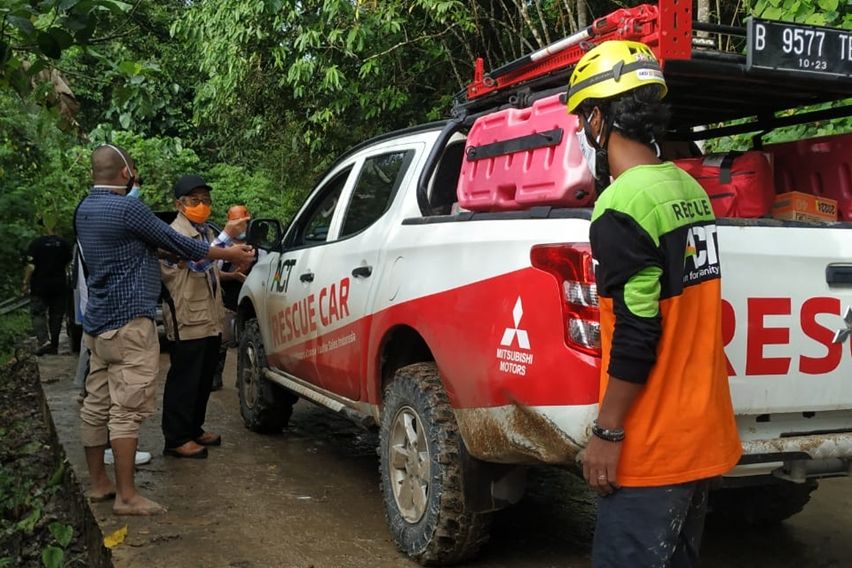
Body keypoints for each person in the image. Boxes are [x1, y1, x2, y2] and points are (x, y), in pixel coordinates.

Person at [566, 41, 742, 567]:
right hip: (701, 436)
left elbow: (639, 332)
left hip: (652, 446)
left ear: (599, 119)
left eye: (582, 116)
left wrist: (607, 432)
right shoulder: (688, 188)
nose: (582, 130)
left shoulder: (621, 206)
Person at [75, 145, 254, 515]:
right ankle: (127, 496)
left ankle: (99, 484)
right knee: (126, 410)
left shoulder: (84, 209)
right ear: (125, 174)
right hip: (129, 325)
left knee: (96, 406)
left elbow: (143, 250)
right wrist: (232, 253)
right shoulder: (129, 208)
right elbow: (182, 246)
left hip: (98, 326)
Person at [160, 176, 248, 458]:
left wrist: (229, 274)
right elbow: (196, 263)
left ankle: (193, 428)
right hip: (187, 317)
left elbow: (208, 268)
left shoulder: (203, 231)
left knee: (202, 377)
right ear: (179, 204)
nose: (202, 205)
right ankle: (176, 438)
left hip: (208, 316)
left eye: (205, 201)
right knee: (185, 378)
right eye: (194, 201)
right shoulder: (173, 233)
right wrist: (226, 235)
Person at [211, 204, 253, 390]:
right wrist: (234, 276)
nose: (241, 227)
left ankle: (242, 379)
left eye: (244, 223)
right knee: (223, 339)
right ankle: (215, 376)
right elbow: (214, 273)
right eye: (237, 223)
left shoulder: (256, 245)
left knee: (247, 338)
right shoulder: (222, 247)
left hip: (250, 301)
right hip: (227, 298)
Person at [23, 227, 72, 355]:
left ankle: (44, 340)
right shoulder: (64, 244)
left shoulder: (36, 244)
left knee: (38, 313)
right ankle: (54, 345)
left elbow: (31, 266)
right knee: (56, 315)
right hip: (59, 285)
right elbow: (68, 262)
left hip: (40, 286)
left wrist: (25, 282)